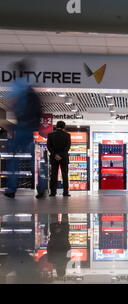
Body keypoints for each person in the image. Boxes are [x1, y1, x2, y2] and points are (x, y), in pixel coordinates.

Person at [4, 59, 43, 199]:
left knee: (14, 157)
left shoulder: (17, 84)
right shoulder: (30, 85)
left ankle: (11, 188)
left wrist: (8, 122)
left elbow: (12, 102)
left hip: (20, 126)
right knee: (33, 158)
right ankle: (42, 186)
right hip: (32, 127)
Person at [47, 121, 71, 197]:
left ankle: (53, 192)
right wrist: (61, 155)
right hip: (64, 158)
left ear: (56, 126)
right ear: (64, 127)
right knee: (64, 175)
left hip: (54, 158)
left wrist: (55, 155)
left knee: (53, 175)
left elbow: (49, 146)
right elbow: (67, 147)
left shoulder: (50, 135)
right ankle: (65, 192)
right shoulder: (67, 135)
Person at [46, 214, 71, 279]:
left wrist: (64, 239)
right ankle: (54, 204)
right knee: (54, 216)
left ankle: (65, 204)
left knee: (65, 215)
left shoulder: (67, 259)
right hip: (54, 234)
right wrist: (52, 240)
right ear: (57, 270)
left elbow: (69, 247)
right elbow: (48, 248)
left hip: (64, 234)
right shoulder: (51, 260)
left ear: (64, 269)